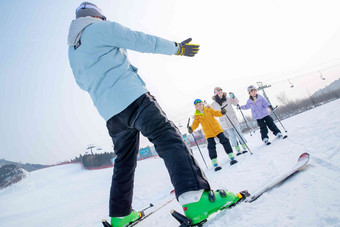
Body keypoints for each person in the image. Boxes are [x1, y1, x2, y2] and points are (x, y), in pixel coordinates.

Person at [67, 2, 240, 226]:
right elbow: (139, 39)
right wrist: (177, 47)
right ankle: (195, 198)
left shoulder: (72, 50)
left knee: (124, 161)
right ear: (97, 16)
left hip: (110, 114)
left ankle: (120, 215)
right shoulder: (100, 28)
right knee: (168, 139)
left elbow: (82, 83)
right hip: (133, 99)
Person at [188, 99, 238, 171]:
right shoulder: (197, 116)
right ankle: (214, 161)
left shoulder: (209, 110)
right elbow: (195, 124)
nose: (199, 107)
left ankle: (230, 154)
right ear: (195, 107)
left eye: (200, 105)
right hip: (208, 133)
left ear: (203, 104)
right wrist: (191, 128)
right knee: (211, 146)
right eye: (197, 106)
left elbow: (216, 113)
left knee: (224, 140)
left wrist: (222, 112)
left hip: (217, 129)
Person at [211, 87, 248, 155]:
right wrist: (205, 106)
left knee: (238, 133)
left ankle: (244, 146)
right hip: (225, 122)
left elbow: (235, 102)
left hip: (232, 119)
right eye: (218, 93)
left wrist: (233, 97)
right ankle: (237, 149)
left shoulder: (227, 98)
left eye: (221, 92)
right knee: (232, 136)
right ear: (215, 95)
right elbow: (211, 111)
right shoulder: (214, 104)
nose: (220, 94)